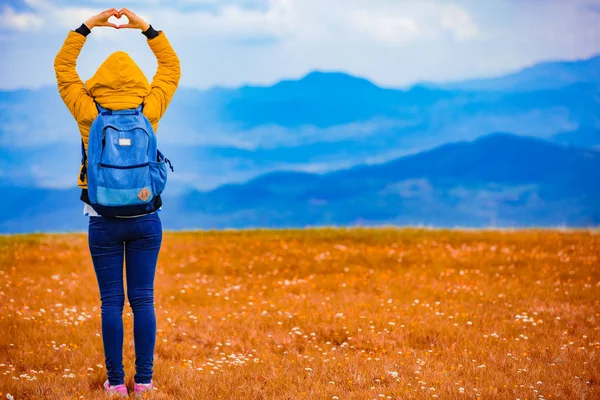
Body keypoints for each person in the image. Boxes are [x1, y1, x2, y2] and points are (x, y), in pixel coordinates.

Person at [54, 8, 180, 397]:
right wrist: (145, 27)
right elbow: (171, 66)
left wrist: (89, 25)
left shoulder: (88, 112)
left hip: (102, 217)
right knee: (143, 300)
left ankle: (114, 384)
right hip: (146, 215)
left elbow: (63, 66)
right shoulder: (150, 109)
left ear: (99, 83)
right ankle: (143, 382)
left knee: (111, 301)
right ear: (139, 82)